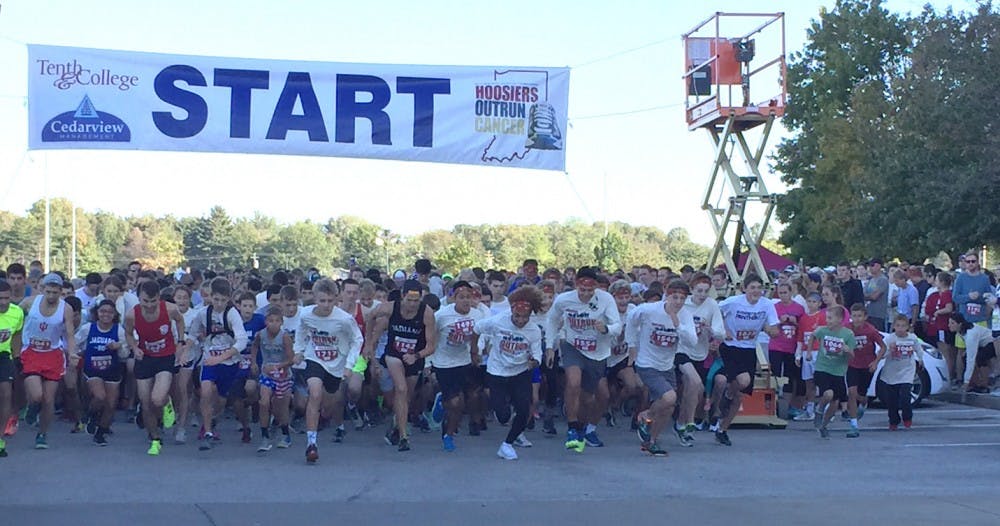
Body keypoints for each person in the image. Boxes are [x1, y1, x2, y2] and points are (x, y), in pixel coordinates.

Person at [545, 267, 622, 453]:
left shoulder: (606, 299)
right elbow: (552, 320)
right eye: (582, 290)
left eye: (590, 290)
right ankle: (572, 428)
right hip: (572, 345)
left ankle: (585, 428)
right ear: (576, 285)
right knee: (573, 382)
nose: (586, 294)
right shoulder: (564, 299)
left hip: (597, 351)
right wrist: (549, 347)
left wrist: (606, 329)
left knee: (589, 398)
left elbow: (617, 326)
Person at [295, 279, 363, 463]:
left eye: (330, 301)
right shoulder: (305, 314)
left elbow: (357, 340)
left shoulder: (344, 319)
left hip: (337, 362)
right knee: (315, 393)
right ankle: (311, 444)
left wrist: (349, 365)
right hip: (314, 357)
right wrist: (298, 351)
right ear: (314, 299)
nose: (326, 305)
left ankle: (325, 416)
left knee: (330, 404)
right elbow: (301, 331)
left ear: (336, 299)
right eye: (322, 301)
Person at [475, 286, 544, 460]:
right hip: (497, 372)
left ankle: (508, 443)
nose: (520, 321)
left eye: (525, 318)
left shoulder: (534, 331)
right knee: (503, 415)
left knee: (523, 409)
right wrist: (473, 352)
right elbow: (476, 329)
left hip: (520, 372)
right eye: (517, 316)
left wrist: (533, 362)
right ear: (511, 312)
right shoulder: (498, 321)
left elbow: (537, 355)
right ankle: (512, 425)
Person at [629, 280, 697, 456]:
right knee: (669, 397)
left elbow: (692, 341)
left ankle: (651, 441)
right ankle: (645, 415)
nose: (678, 302)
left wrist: (677, 325)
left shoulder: (685, 315)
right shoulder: (649, 310)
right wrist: (632, 346)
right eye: (675, 297)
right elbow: (631, 318)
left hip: (667, 364)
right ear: (667, 296)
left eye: (682, 298)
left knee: (669, 407)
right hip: (647, 363)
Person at [125, 280, 188, 456]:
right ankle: (154, 438)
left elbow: (180, 321)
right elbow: (128, 334)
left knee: (157, 399)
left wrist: (180, 342)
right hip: (145, 357)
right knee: (146, 403)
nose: (150, 305)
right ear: (139, 299)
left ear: (159, 298)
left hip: (165, 357)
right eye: (146, 301)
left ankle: (167, 403)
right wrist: (134, 347)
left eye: (153, 301)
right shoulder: (132, 315)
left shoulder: (169, 309)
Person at [714, 274, 778, 446]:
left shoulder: (767, 304)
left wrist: (771, 330)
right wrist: (723, 328)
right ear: (745, 288)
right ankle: (725, 395)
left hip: (749, 348)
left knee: (740, 395)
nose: (756, 291)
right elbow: (715, 311)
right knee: (743, 380)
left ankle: (723, 429)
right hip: (730, 347)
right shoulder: (733, 302)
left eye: (759, 288)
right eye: (752, 288)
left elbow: (774, 327)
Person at [188, 278, 249, 451]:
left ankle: (213, 421)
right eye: (216, 299)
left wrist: (222, 357)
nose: (219, 304)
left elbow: (242, 340)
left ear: (228, 299)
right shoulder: (203, 313)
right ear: (210, 296)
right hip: (210, 359)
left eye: (223, 300)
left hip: (229, 362)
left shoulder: (232, 314)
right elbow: (192, 334)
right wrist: (184, 350)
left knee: (221, 400)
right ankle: (207, 432)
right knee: (206, 391)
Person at [19, 273, 76, 450]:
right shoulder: (30, 303)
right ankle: (32, 406)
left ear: (60, 291)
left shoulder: (65, 309)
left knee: (49, 399)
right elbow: (14, 317)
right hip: (31, 352)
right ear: (42, 289)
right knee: (37, 395)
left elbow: (69, 334)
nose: (51, 296)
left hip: (52, 353)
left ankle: (42, 434)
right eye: (48, 291)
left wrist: (72, 352)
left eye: (55, 292)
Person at [431, 280, 485, 452]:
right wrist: (427, 362)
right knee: (455, 402)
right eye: (461, 297)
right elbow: (430, 338)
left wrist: (477, 352)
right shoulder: (441, 316)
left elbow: (480, 335)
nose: (465, 301)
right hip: (443, 363)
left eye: (469, 297)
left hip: (464, 361)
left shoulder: (477, 315)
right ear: (454, 298)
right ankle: (446, 425)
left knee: (465, 399)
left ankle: (449, 432)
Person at [74, 299, 129, 446]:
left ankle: (101, 432)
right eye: (103, 311)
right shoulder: (88, 328)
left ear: (114, 315)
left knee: (111, 404)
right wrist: (77, 354)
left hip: (113, 370)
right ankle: (91, 414)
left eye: (110, 312)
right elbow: (75, 343)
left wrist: (118, 346)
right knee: (100, 396)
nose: (106, 315)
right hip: (93, 369)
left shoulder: (119, 330)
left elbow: (125, 352)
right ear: (97, 313)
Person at [677, 273, 725, 435]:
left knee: (694, 390)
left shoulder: (712, 305)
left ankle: (681, 421)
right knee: (695, 383)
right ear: (692, 289)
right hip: (682, 350)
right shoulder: (683, 304)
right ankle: (688, 423)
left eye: (706, 291)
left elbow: (721, 333)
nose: (702, 295)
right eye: (699, 291)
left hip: (700, 353)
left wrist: (710, 328)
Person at [872, 315, 924, 430]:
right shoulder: (890, 339)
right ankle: (893, 420)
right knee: (892, 400)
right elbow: (881, 354)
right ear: (894, 327)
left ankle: (907, 417)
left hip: (907, 371)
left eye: (903, 326)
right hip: (891, 372)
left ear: (908, 327)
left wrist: (920, 359)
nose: (900, 329)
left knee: (905, 396)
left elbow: (919, 349)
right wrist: (890, 350)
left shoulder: (912, 338)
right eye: (898, 326)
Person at [810, 306, 856, 439]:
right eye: (827, 318)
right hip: (822, 368)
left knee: (835, 403)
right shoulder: (822, 331)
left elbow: (852, 356)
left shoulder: (848, 335)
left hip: (838, 372)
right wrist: (808, 352)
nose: (827, 321)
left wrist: (848, 351)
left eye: (830, 318)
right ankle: (819, 409)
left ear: (840, 319)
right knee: (828, 394)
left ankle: (823, 425)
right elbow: (813, 336)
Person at [253, 307, 294, 452]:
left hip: (283, 376)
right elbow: (255, 347)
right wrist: (254, 363)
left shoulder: (284, 337)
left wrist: (277, 366)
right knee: (264, 402)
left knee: (281, 407)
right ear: (266, 322)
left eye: (277, 321)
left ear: (281, 322)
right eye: (271, 321)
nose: (274, 324)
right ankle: (264, 436)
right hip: (266, 375)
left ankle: (285, 433)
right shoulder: (261, 335)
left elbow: (291, 360)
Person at [768, 283, 805, 420]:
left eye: (785, 292)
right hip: (776, 346)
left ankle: (788, 407)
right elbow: (769, 324)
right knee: (775, 375)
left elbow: (803, 326)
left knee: (790, 377)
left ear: (790, 292)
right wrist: (779, 322)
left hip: (791, 346)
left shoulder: (799, 308)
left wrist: (793, 321)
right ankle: (774, 405)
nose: (782, 295)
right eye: (780, 293)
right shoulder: (774, 307)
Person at [846, 303, 883, 438]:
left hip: (867, 365)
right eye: (854, 316)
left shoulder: (870, 330)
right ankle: (854, 425)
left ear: (865, 317)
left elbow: (883, 347)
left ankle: (864, 401)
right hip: (852, 364)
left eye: (859, 316)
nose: (857, 319)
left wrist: (876, 361)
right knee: (851, 392)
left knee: (860, 394)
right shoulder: (847, 329)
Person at [0, 281, 24, 456]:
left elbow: (17, 334)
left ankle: (0, 439)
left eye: (6, 298)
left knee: (6, 395)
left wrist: (17, 356)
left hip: (4, 357)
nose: (3, 302)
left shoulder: (17, 313)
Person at [924, 273, 955, 384]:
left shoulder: (946, 294)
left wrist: (938, 312)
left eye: (937, 280)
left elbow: (949, 308)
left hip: (943, 325)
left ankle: (949, 375)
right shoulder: (940, 294)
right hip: (939, 326)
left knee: (945, 351)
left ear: (942, 282)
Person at [864, 259, 889, 331]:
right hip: (869, 314)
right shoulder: (871, 280)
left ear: (878, 266)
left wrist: (867, 296)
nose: (870, 268)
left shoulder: (883, 280)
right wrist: (869, 296)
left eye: (872, 265)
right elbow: (863, 293)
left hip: (879, 315)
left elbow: (875, 297)